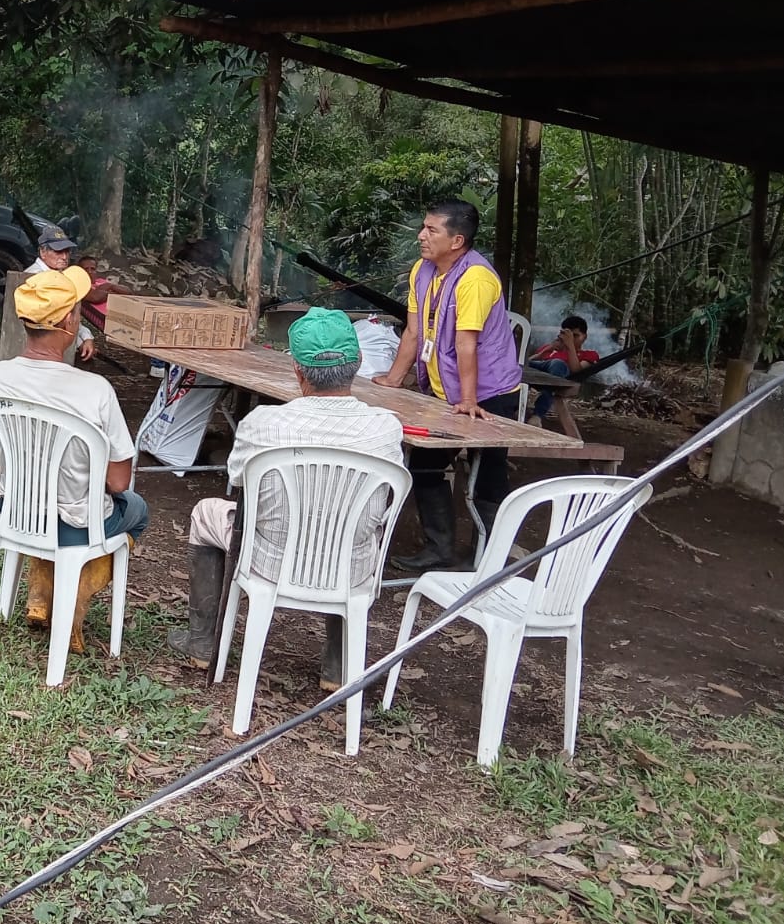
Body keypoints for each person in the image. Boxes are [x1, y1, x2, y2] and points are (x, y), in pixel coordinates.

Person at [170, 309, 404, 687]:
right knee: (349, 526)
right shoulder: (387, 428)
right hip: (350, 568)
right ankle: (337, 667)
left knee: (204, 513)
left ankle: (201, 643)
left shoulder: (263, 423)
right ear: (359, 361)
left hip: (270, 560)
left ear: (297, 369)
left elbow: (238, 480)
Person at [0, 266, 148, 653]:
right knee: (137, 509)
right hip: (77, 527)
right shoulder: (95, 390)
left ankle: (42, 591)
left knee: (49, 501)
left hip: (14, 514)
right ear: (69, 322)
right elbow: (118, 482)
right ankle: (76, 594)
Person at [374, 199, 523, 573]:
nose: (421, 236)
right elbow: (413, 331)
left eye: (431, 230)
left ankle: (488, 559)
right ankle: (440, 550)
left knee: (488, 472)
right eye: (423, 227)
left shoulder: (476, 279)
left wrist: (469, 400)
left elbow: (466, 342)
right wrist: (394, 379)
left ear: (457, 241)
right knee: (425, 465)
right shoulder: (422, 270)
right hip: (445, 391)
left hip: (489, 392)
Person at [23, 227, 96, 361]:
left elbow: (65, 314)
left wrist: (86, 336)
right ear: (43, 252)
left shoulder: (58, 276)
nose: (64, 257)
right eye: (58, 251)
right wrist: (81, 341)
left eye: (67, 251)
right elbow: (55, 320)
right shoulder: (36, 277)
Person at [527, 315, 599, 422]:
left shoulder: (590, 355)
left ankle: (537, 415)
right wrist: (545, 351)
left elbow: (576, 370)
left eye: (575, 336)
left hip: (561, 377)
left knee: (558, 364)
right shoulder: (552, 348)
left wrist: (569, 345)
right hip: (539, 373)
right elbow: (526, 363)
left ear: (585, 337)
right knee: (514, 364)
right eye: (568, 336)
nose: (571, 339)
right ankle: (512, 406)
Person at [77, 253, 134, 333]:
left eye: (92, 269)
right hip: (107, 321)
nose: (89, 272)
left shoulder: (101, 281)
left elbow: (128, 291)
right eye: (86, 269)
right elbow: (95, 297)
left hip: (124, 314)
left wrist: (110, 286)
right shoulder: (80, 285)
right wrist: (111, 290)